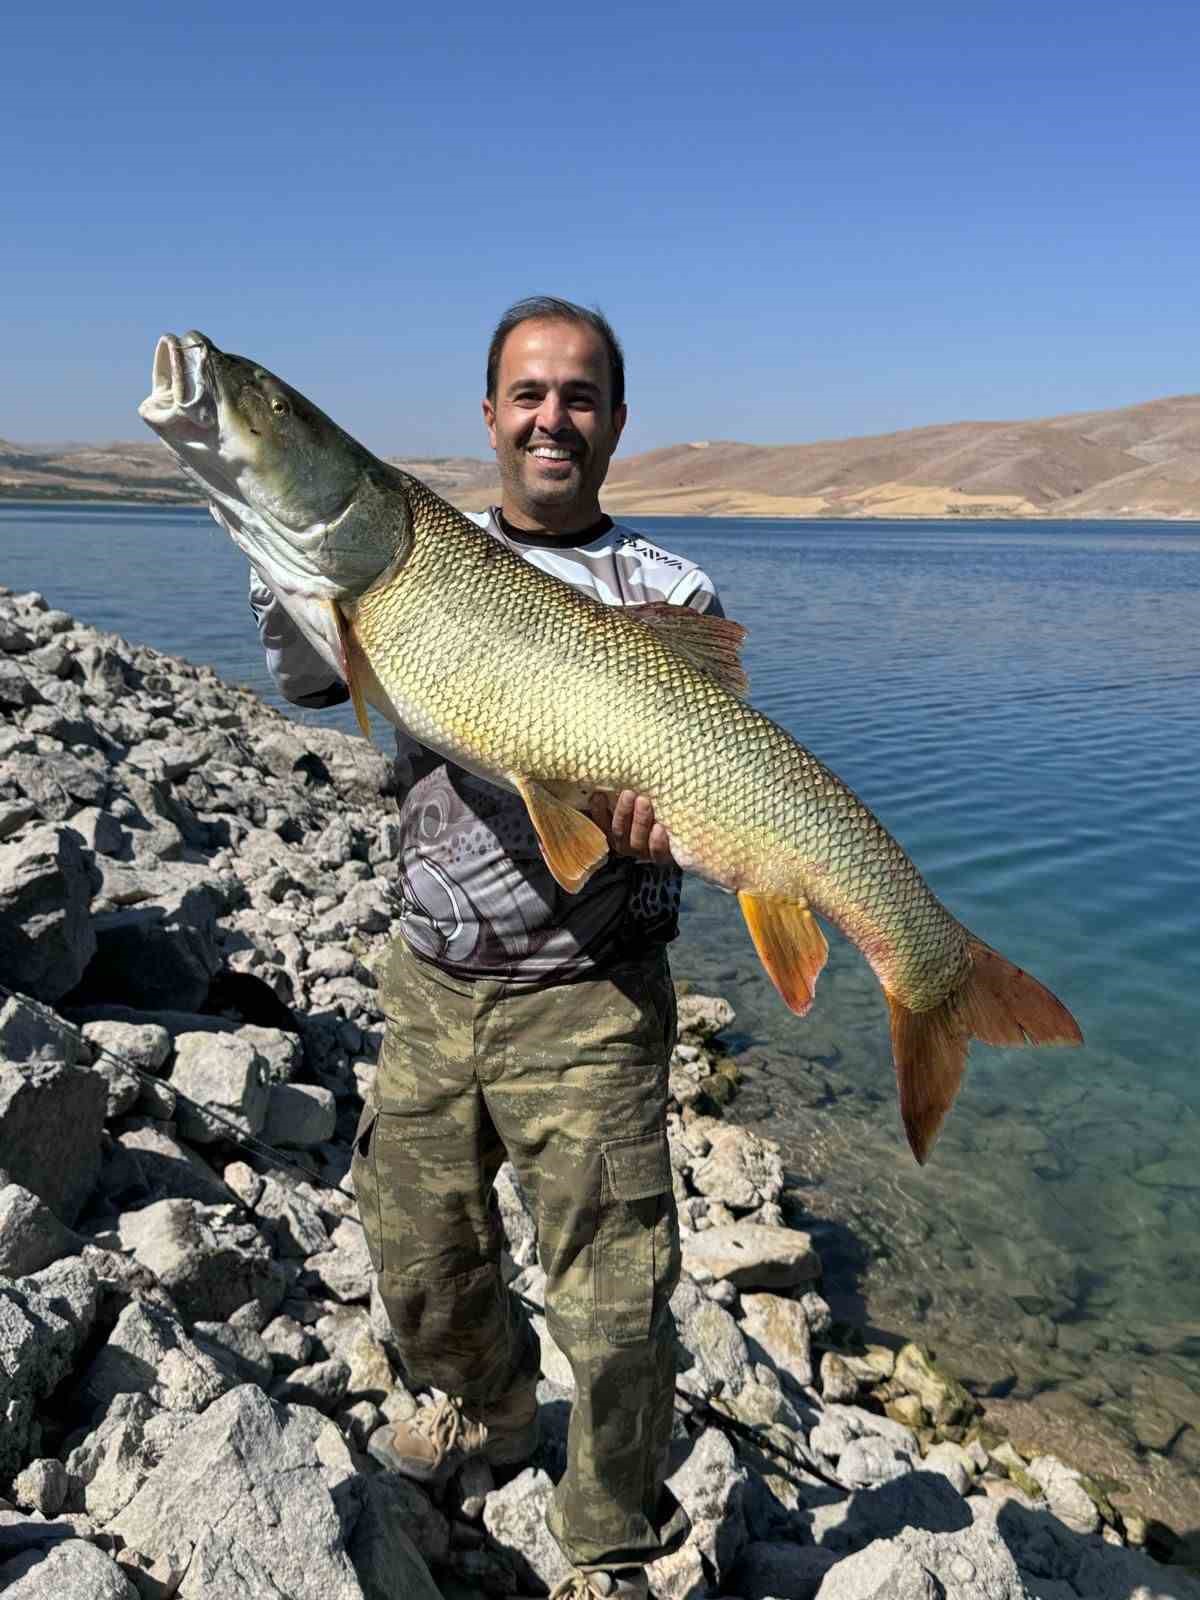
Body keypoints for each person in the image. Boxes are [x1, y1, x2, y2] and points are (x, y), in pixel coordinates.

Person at [250, 296, 725, 1600]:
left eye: (579, 396)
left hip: (592, 1001)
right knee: (419, 1262)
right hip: (431, 979)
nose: (551, 419)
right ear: (489, 416)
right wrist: (281, 555)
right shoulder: (409, 555)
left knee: (619, 1309)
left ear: (617, 422)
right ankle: (497, 1408)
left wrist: (652, 824)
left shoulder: (668, 592)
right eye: (528, 394)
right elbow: (305, 680)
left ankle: (608, 1542)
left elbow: (697, 790)